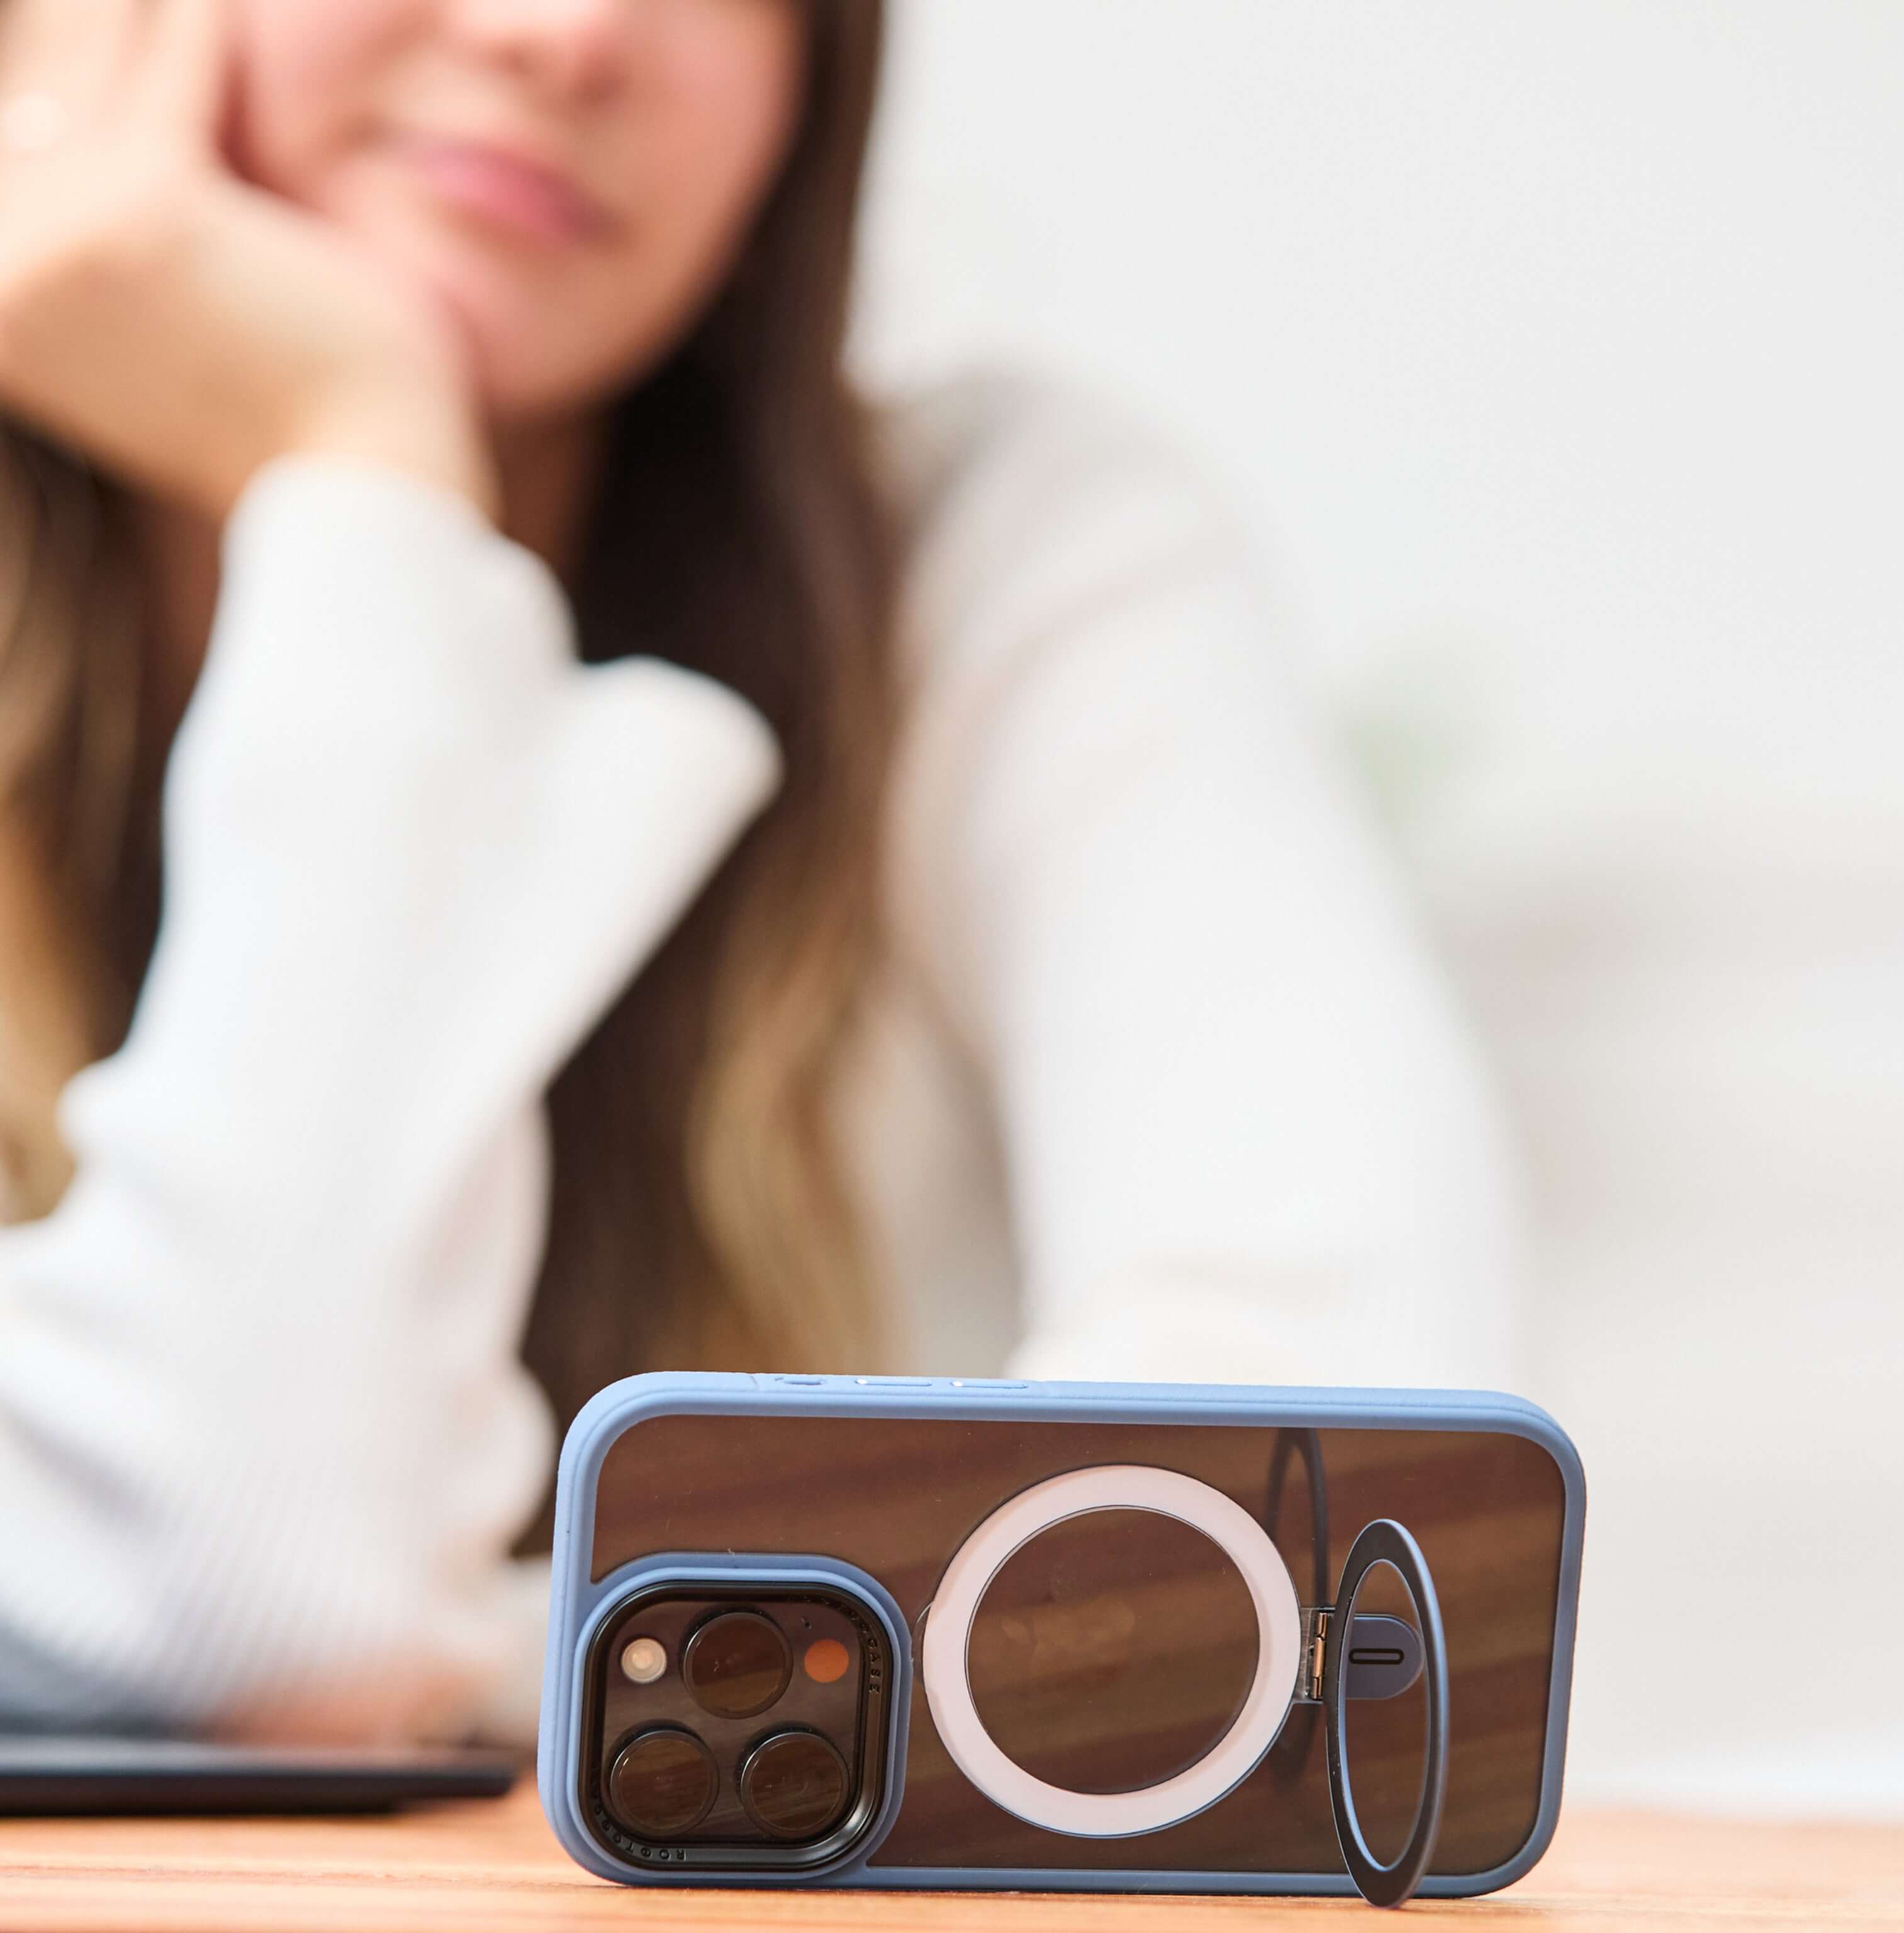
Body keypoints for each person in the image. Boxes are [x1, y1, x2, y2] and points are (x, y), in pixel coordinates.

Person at [0, 0, 1515, 1744]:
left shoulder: (998, 557)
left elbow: (1369, 1512)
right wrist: (371, 481)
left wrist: (481, 1667)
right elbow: (245, 1589)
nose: (566, 35)